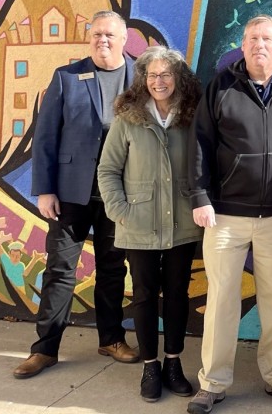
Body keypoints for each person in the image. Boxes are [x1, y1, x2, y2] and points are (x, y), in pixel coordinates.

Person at [191, 15, 272, 414]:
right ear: (242, 45)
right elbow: (199, 143)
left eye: (267, 38)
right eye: (252, 38)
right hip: (226, 215)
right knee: (222, 300)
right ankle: (213, 382)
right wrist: (199, 195)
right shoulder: (221, 86)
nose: (259, 45)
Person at [14, 10, 138, 379]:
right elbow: (46, 136)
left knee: (114, 270)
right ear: (89, 38)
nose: (103, 40)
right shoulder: (67, 77)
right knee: (60, 271)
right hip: (70, 193)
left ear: (123, 38)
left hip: (120, 194)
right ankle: (45, 349)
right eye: (97, 34)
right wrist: (44, 190)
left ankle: (112, 339)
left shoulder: (143, 77)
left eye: (110, 35)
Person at [98, 46, 208, 402]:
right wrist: (122, 212)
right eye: (153, 75)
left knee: (177, 294)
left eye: (166, 74)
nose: (159, 82)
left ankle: (173, 363)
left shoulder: (191, 116)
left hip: (182, 223)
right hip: (138, 223)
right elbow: (108, 169)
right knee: (145, 295)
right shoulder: (128, 117)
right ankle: (150, 365)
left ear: (178, 79)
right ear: (143, 80)